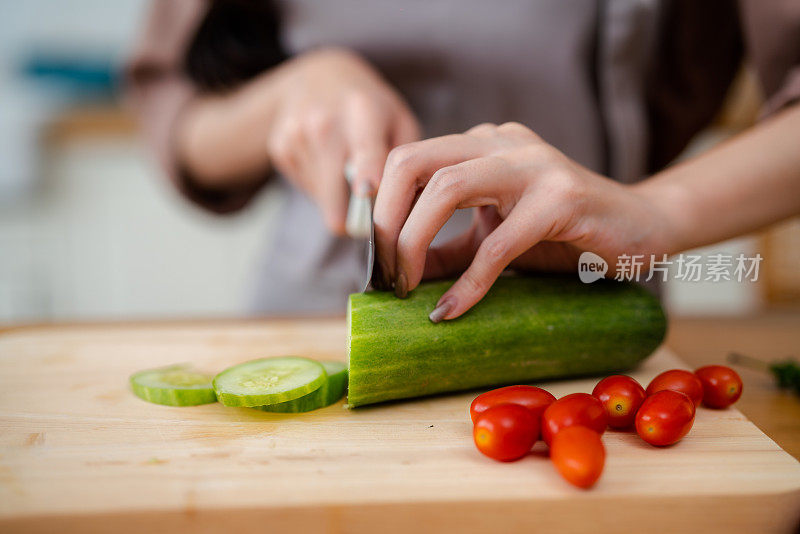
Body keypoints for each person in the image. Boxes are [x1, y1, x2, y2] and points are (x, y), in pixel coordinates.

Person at [127, 0, 800, 321]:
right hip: (304, 316)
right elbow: (174, 117)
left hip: (581, 306)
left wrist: (656, 212)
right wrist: (281, 98)